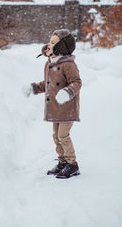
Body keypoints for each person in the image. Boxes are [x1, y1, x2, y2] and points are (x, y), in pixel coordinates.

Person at [23, 29, 82, 179]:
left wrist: (67, 92)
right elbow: (47, 84)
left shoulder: (68, 64)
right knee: (56, 136)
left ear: (61, 47)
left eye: (53, 43)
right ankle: (63, 162)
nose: (49, 45)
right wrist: (34, 88)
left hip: (67, 108)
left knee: (63, 135)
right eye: (49, 41)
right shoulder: (48, 64)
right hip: (55, 108)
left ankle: (72, 164)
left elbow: (76, 82)